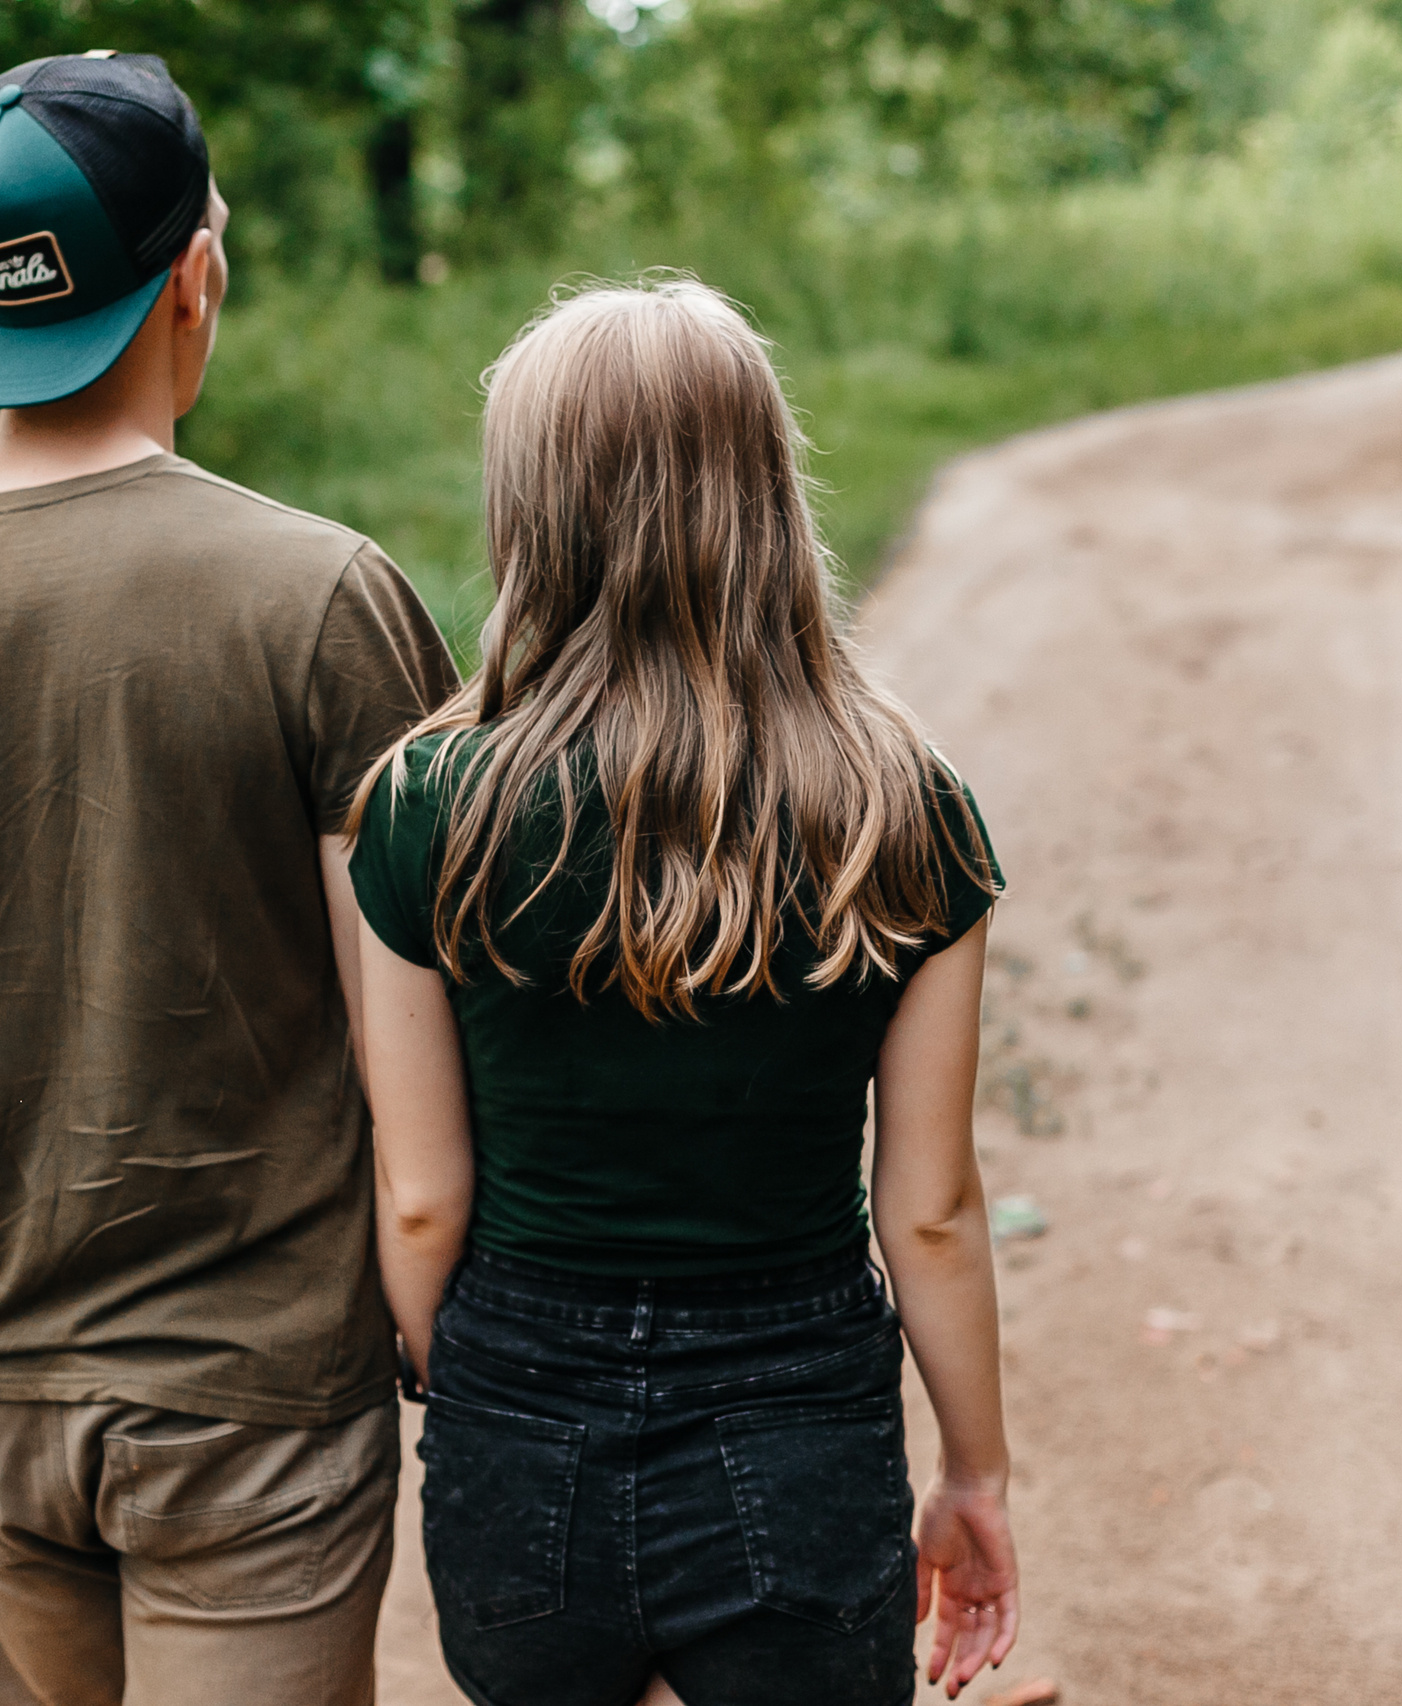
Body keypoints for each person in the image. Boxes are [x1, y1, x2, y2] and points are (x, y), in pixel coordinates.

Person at [0, 52, 457, 1706]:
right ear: (196, 274)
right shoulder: (325, 598)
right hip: (261, 1394)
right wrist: (445, 1340)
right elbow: (413, 1046)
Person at [346, 278, 1021, 1706]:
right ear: (768, 490)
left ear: (530, 511)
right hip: (801, 1411)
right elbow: (933, 1209)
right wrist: (974, 1470)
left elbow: (418, 1196)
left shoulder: (426, 803)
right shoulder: (907, 805)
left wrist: (456, 1378)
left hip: (520, 1414)